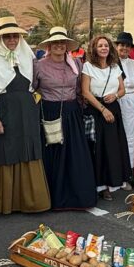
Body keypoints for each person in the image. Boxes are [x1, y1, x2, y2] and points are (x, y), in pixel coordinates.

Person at [0, 16, 51, 214]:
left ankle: (31, 200)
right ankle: (7, 202)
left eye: (15, 36)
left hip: (26, 113)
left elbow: (34, 84)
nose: (12, 40)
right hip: (4, 112)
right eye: (7, 37)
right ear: (0, 39)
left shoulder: (27, 56)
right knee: (6, 151)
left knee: (28, 149)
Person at [34, 27, 97, 207]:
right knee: (53, 154)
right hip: (50, 113)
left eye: (62, 43)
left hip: (72, 113)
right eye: (55, 43)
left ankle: (77, 197)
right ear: (49, 45)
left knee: (74, 155)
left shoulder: (76, 64)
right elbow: (32, 88)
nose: (59, 45)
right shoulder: (38, 65)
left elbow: (79, 89)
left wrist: (82, 108)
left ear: (67, 46)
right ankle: (53, 198)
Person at [81, 34, 132, 199]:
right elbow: (85, 92)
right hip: (96, 109)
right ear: (94, 49)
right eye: (100, 45)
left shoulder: (115, 67)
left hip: (114, 108)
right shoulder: (88, 66)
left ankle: (112, 182)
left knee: (112, 148)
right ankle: (101, 186)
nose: (103, 48)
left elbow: (122, 89)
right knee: (98, 149)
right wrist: (103, 109)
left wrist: (116, 96)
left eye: (106, 45)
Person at [115, 32, 134, 187]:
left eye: (127, 45)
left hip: (130, 100)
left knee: (129, 137)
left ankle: (128, 173)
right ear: (117, 46)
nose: (124, 48)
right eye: (122, 45)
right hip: (114, 100)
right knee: (114, 137)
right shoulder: (110, 63)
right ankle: (114, 173)